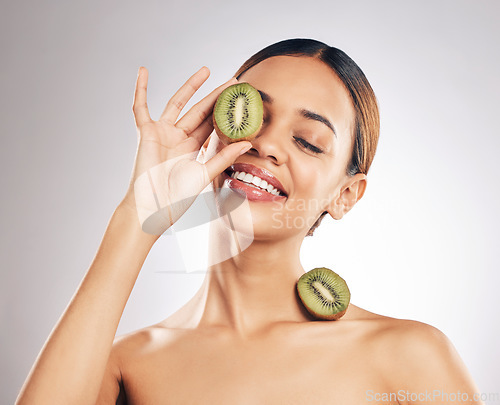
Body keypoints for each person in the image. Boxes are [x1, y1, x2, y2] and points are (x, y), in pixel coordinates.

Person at [16, 38, 483, 404]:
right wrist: (140, 216)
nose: (266, 144)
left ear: (344, 196)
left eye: (308, 141)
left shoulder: (409, 355)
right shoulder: (128, 365)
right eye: (252, 114)